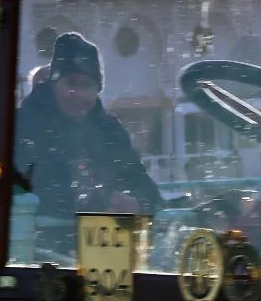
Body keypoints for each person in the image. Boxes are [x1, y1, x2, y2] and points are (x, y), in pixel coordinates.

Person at [15, 33, 162, 227]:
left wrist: (138, 204)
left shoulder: (109, 130)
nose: (76, 94)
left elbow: (147, 190)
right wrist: (98, 206)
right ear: (54, 84)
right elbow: (18, 194)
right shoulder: (23, 125)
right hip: (38, 250)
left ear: (97, 89)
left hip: (101, 248)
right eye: (70, 83)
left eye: (86, 84)